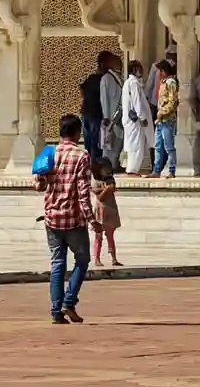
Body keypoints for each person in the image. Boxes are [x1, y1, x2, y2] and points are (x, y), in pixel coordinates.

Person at [37, 113, 95, 324]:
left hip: (52, 218)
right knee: (82, 259)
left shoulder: (48, 153)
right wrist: (92, 219)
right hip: (73, 220)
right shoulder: (82, 156)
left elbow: (38, 185)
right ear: (77, 133)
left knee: (57, 264)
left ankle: (56, 311)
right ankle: (68, 302)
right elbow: (83, 193)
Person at [89, 158, 123, 268]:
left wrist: (107, 189)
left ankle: (114, 258)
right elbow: (100, 197)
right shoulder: (96, 181)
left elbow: (112, 189)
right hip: (101, 211)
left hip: (111, 209)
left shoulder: (110, 179)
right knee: (98, 236)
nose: (107, 171)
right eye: (105, 169)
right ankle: (97, 259)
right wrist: (106, 190)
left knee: (110, 236)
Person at [149, 60, 180, 178]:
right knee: (158, 146)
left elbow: (173, 101)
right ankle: (156, 170)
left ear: (163, 71)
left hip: (167, 119)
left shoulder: (171, 82)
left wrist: (162, 112)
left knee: (168, 146)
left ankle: (172, 170)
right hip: (160, 120)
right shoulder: (163, 83)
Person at [80, 52, 111, 165]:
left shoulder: (92, 78)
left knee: (91, 143)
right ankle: (94, 166)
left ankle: (91, 165)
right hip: (95, 115)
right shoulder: (103, 79)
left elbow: (82, 90)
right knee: (95, 143)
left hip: (87, 113)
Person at [96, 51, 123, 166]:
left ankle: (114, 164)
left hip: (119, 116)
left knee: (118, 143)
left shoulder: (118, 77)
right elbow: (104, 99)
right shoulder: (106, 78)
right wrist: (106, 117)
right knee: (110, 144)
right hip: (111, 118)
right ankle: (107, 167)